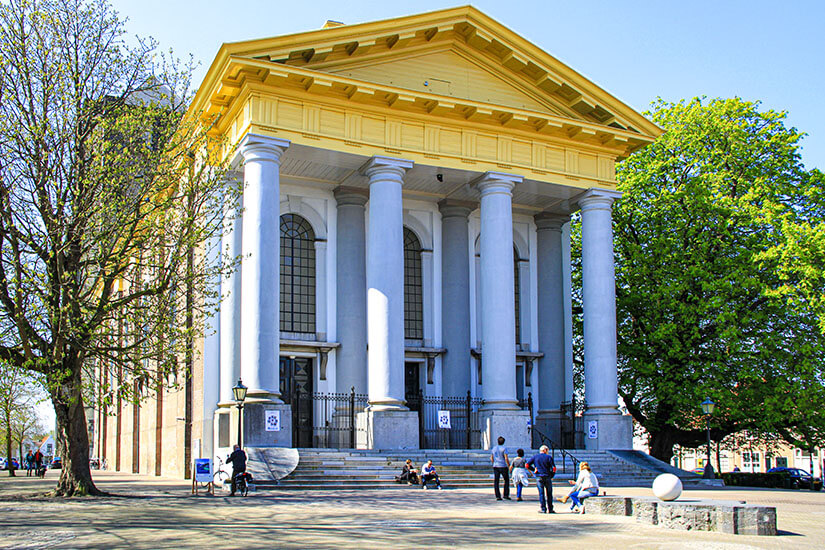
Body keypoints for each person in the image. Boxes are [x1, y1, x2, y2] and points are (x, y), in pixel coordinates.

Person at [526, 444, 556, 513]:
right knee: (549, 493)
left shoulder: (535, 457)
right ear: (545, 450)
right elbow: (554, 468)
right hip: (547, 475)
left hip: (539, 476)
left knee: (541, 493)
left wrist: (533, 469)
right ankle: (550, 508)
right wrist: (552, 475)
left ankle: (543, 508)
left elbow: (527, 465)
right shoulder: (549, 457)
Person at [490, 436, 510, 500]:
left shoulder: (494, 448)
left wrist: (493, 463)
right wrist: (509, 465)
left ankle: (498, 496)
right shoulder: (504, 448)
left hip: (496, 466)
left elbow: (491, 457)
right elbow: (506, 457)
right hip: (503, 465)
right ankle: (505, 494)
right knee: (506, 480)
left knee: (496, 481)